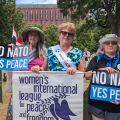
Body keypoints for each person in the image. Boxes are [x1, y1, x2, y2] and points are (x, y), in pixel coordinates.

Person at [6, 26, 46, 120]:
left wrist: (40, 68)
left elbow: (45, 68)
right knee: (16, 112)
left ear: (39, 38)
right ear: (28, 37)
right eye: (31, 34)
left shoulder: (44, 52)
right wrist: (10, 51)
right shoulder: (19, 50)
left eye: (36, 35)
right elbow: (12, 64)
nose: (33, 37)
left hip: (35, 88)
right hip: (20, 86)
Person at [85, 34, 120, 120]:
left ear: (117, 46)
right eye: (107, 43)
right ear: (103, 46)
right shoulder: (96, 59)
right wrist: (102, 70)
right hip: (97, 104)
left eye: (113, 43)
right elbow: (87, 75)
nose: (110, 45)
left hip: (116, 106)